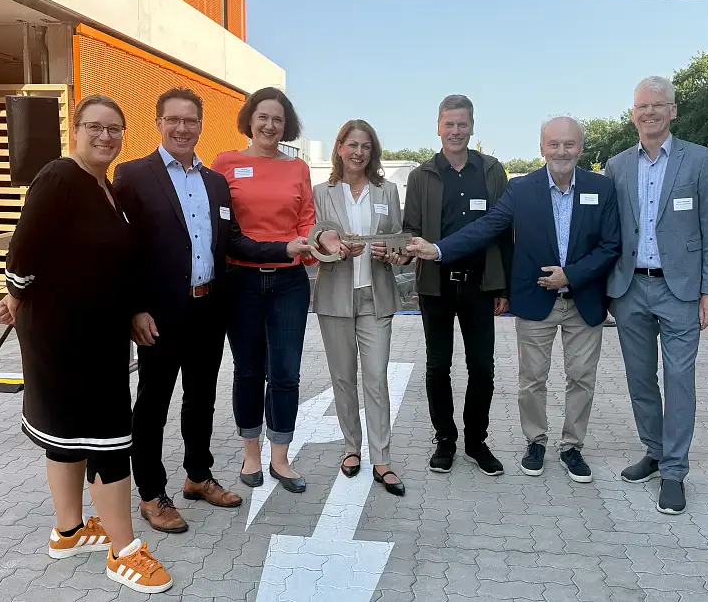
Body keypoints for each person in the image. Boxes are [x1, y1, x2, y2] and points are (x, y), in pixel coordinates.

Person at [0, 95, 173, 593]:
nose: (105, 137)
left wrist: (131, 306)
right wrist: (18, 296)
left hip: (95, 334)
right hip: (67, 338)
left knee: (67, 437)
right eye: (95, 127)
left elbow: (109, 260)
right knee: (109, 442)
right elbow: (21, 253)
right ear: (75, 129)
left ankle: (69, 532)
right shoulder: (58, 177)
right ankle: (124, 552)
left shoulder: (103, 186)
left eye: (115, 129)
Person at [113, 88, 308, 533]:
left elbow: (233, 241)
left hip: (208, 306)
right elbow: (121, 249)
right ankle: (150, 492)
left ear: (201, 125)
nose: (183, 129)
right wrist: (134, 308)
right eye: (174, 120)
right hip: (158, 314)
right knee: (153, 404)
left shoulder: (214, 181)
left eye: (191, 121)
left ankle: (198, 476)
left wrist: (284, 247)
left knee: (201, 399)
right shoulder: (133, 175)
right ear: (158, 123)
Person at [408, 117, 620, 483]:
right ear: (542, 148)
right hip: (538, 300)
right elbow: (487, 227)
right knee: (532, 380)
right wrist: (440, 249)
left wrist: (572, 275)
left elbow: (611, 245)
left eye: (569, 144)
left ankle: (572, 447)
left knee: (581, 379)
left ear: (580, 148)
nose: (561, 151)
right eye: (553, 144)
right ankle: (535, 442)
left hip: (583, 299)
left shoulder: (603, 188)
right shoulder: (522, 189)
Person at [604, 76, 708, 515]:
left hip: (681, 292)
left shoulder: (700, 160)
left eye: (659, 105)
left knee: (679, 381)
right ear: (633, 113)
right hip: (630, 288)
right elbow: (609, 233)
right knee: (640, 380)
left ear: (673, 111)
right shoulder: (617, 166)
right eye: (643, 106)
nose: (650, 112)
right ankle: (654, 452)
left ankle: (674, 472)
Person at [211, 87, 316, 494]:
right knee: (249, 370)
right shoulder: (226, 164)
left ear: (286, 125)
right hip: (242, 282)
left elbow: (307, 220)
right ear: (249, 121)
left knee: (286, 373)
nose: (270, 125)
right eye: (263, 117)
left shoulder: (298, 169)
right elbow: (222, 226)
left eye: (278, 119)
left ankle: (281, 457)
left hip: (290, 282)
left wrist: (319, 246)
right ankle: (250, 453)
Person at [402, 94, 511, 476]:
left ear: (472, 127)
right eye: (449, 124)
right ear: (438, 126)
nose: (455, 131)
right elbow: (410, 229)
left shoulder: (493, 171)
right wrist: (404, 249)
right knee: (438, 367)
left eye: (462, 124)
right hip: (436, 286)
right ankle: (444, 440)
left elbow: (504, 230)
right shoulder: (421, 176)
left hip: (481, 285)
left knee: (483, 368)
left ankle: (476, 442)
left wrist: (503, 288)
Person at [311, 120, 410, 496]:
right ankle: (351, 448)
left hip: (376, 294)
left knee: (376, 376)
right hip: (335, 295)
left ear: (373, 151)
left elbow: (400, 242)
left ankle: (381, 457)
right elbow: (313, 241)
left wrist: (393, 252)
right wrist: (331, 248)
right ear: (339, 148)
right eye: (352, 144)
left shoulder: (387, 191)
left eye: (366, 146)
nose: (358, 152)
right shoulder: (321, 192)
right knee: (342, 377)